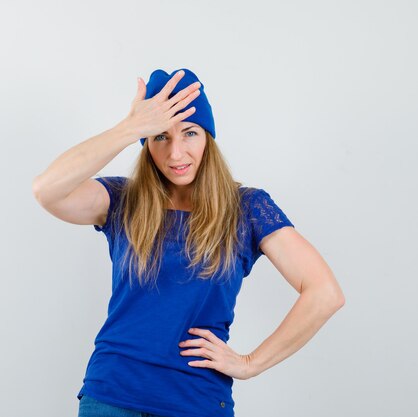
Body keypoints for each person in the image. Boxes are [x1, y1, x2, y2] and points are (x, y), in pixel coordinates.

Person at [32, 68, 345, 417]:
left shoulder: (247, 209)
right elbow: (47, 190)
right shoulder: (122, 199)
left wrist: (250, 363)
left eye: (190, 133)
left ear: (208, 137)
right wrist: (130, 128)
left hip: (195, 400)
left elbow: (324, 293)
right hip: (111, 395)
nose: (176, 153)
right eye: (160, 137)